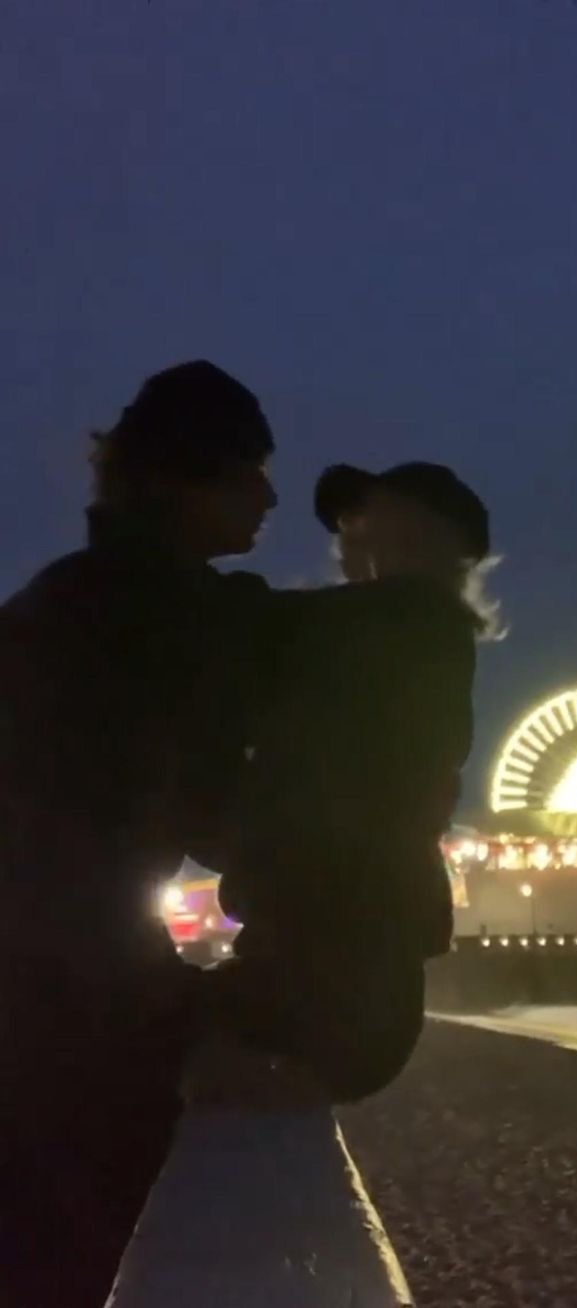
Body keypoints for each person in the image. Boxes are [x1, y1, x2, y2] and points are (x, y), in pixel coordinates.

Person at [0, 361, 276, 1307]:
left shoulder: (52, 601)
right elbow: (219, 817)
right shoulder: (163, 617)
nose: (272, 497)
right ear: (186, 476)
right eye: (250, 471)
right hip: (78, 1014)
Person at [218, 460, 493, 1101]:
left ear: (428, 539)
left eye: (365, 519)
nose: (346, 538)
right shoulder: (410, 635)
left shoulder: (405, 628)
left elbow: (252, 623)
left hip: (334, 981)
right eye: (345, 526)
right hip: (353, 981)